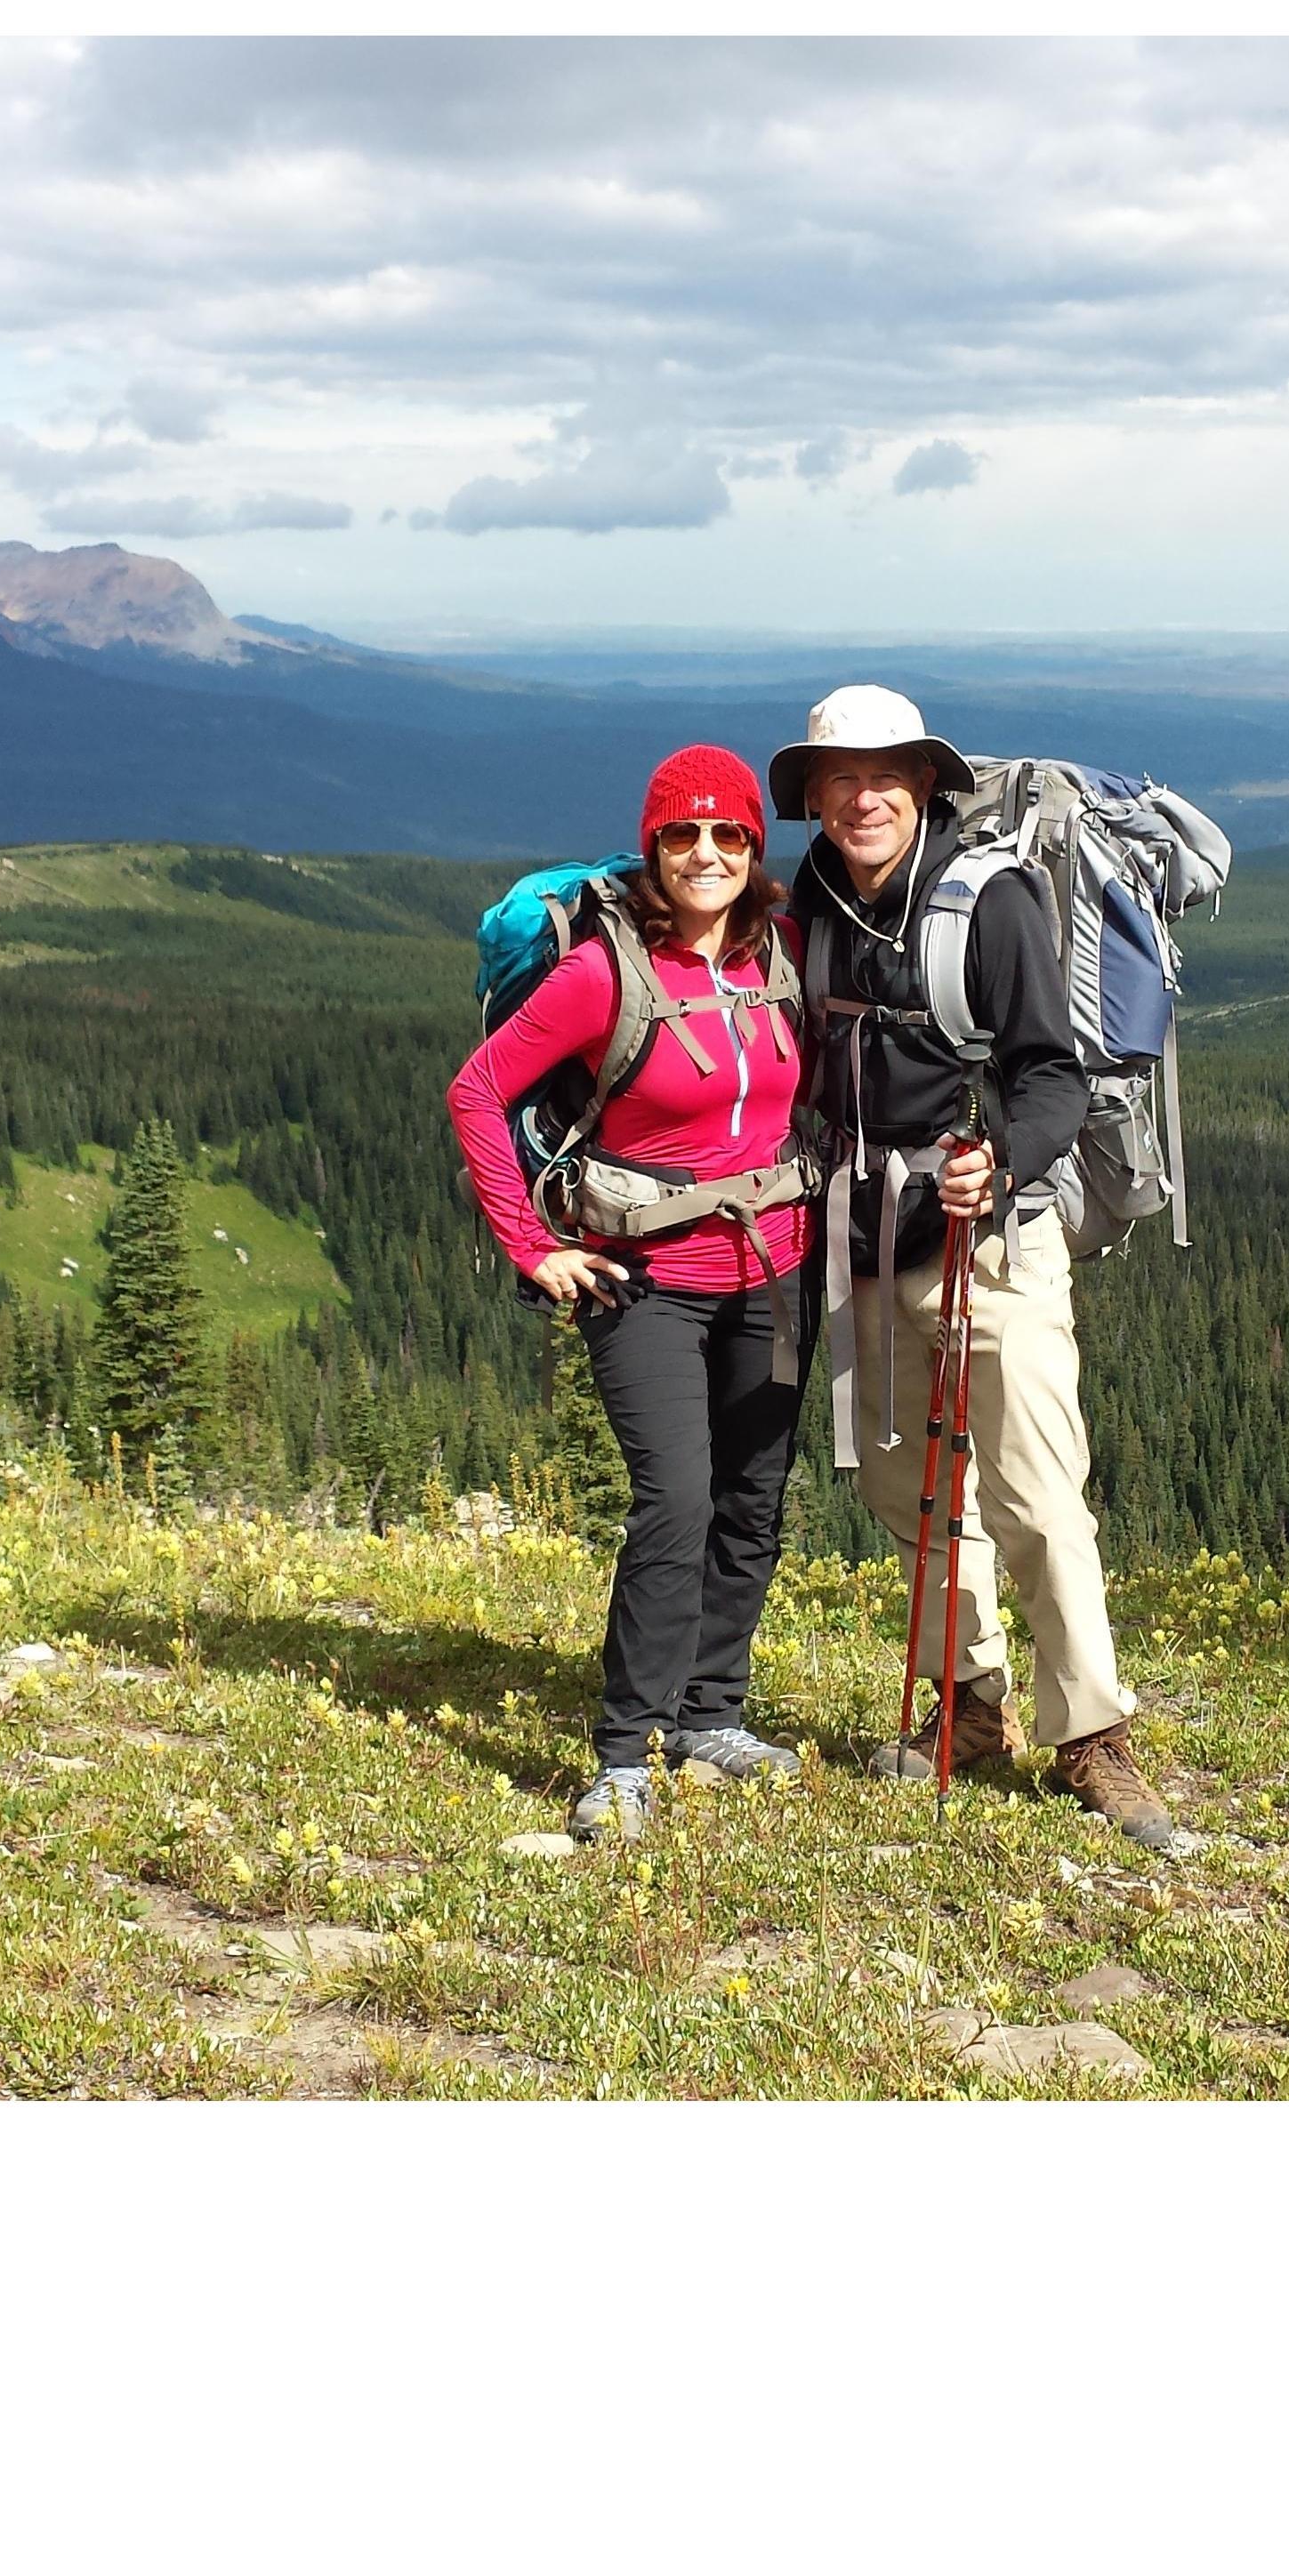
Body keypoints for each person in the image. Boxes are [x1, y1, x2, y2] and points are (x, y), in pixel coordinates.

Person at [775, 682, 1200, 1856]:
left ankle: (1093, 1737)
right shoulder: (802, 909)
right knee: (908, 1492)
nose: (863, 797)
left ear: (923, 784)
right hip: (863, 1243)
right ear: (811, 797)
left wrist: (1000, 1160)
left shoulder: (990, 902)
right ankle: (966, 1711)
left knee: (1035, 1493)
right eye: (840, 778)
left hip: (991, 1242)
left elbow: (1051, 1074)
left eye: (887, 775)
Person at [446, 745, 813, 1842]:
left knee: (755, 1497)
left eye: (730, 835)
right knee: (677, 1505)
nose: (707, 855)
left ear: (756, 847)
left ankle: (714, 1713)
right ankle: (622, 1754)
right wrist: (531, 1246)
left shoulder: (780, 954)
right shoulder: (604, 973)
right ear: (653, 848)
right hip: (646, 1280)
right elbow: (478, 1090)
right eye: (683, 836)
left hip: (777, 1272)